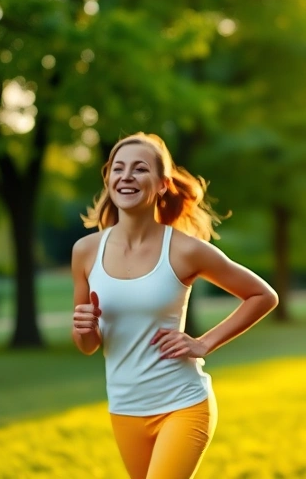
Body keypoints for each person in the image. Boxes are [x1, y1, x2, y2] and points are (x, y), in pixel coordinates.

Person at [71, 132, 278, 479]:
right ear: (108, 179)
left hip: (182, 404)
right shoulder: (86, 251)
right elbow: (88, 345)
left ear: (162, 184)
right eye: (118, 169)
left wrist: (204, 343)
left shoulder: (185, 250)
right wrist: (85, 329)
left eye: (140, 169)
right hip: (124, 408)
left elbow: (262, 295)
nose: (127, 176)